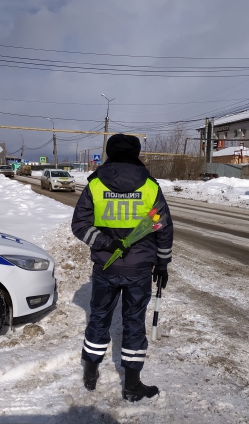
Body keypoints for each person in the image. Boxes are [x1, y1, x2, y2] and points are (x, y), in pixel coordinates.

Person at [71, 133, 174, 402]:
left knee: (98, 317)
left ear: (109, 152)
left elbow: (80, 226)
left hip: (106, 267)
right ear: (137, 154)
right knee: (133, 323)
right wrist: (162, 265)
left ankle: (90, 375)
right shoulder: (150, 187)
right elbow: (163, 228)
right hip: (139, 269)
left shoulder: (94, 185)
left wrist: (107, 242)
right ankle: (132, 386)